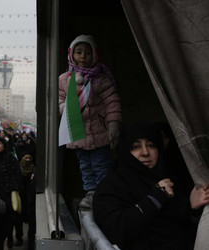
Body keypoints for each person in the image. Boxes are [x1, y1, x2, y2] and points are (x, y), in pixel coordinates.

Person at [92, 122, 209, 250]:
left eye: (151, 145)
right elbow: (117, 231)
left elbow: (182, 230)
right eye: (136, 147)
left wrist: (193, 208)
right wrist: (154, 198)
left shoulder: (169, 181)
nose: (145, 152)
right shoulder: (112, 187)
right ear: (125, 151)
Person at [58, 34, 122, 209]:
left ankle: (103, 193)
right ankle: (91, 193)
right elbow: (59, 98)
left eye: (87, 52)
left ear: (94, 55)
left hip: (99, 132)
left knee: (101, 165)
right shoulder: (64, 79)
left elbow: (112, 102)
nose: (83, 56)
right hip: (78, 132)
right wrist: (64, 107)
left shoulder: (101, 78)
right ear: (71, 54)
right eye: (79, 52)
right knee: (85, 166)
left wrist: (113, 124)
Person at [0, 137, 22, 249]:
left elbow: (17, 173)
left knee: (10, 217)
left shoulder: (10, 157)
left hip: (9, 192)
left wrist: (14, 187)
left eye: (0, 143)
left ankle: (10, 238)